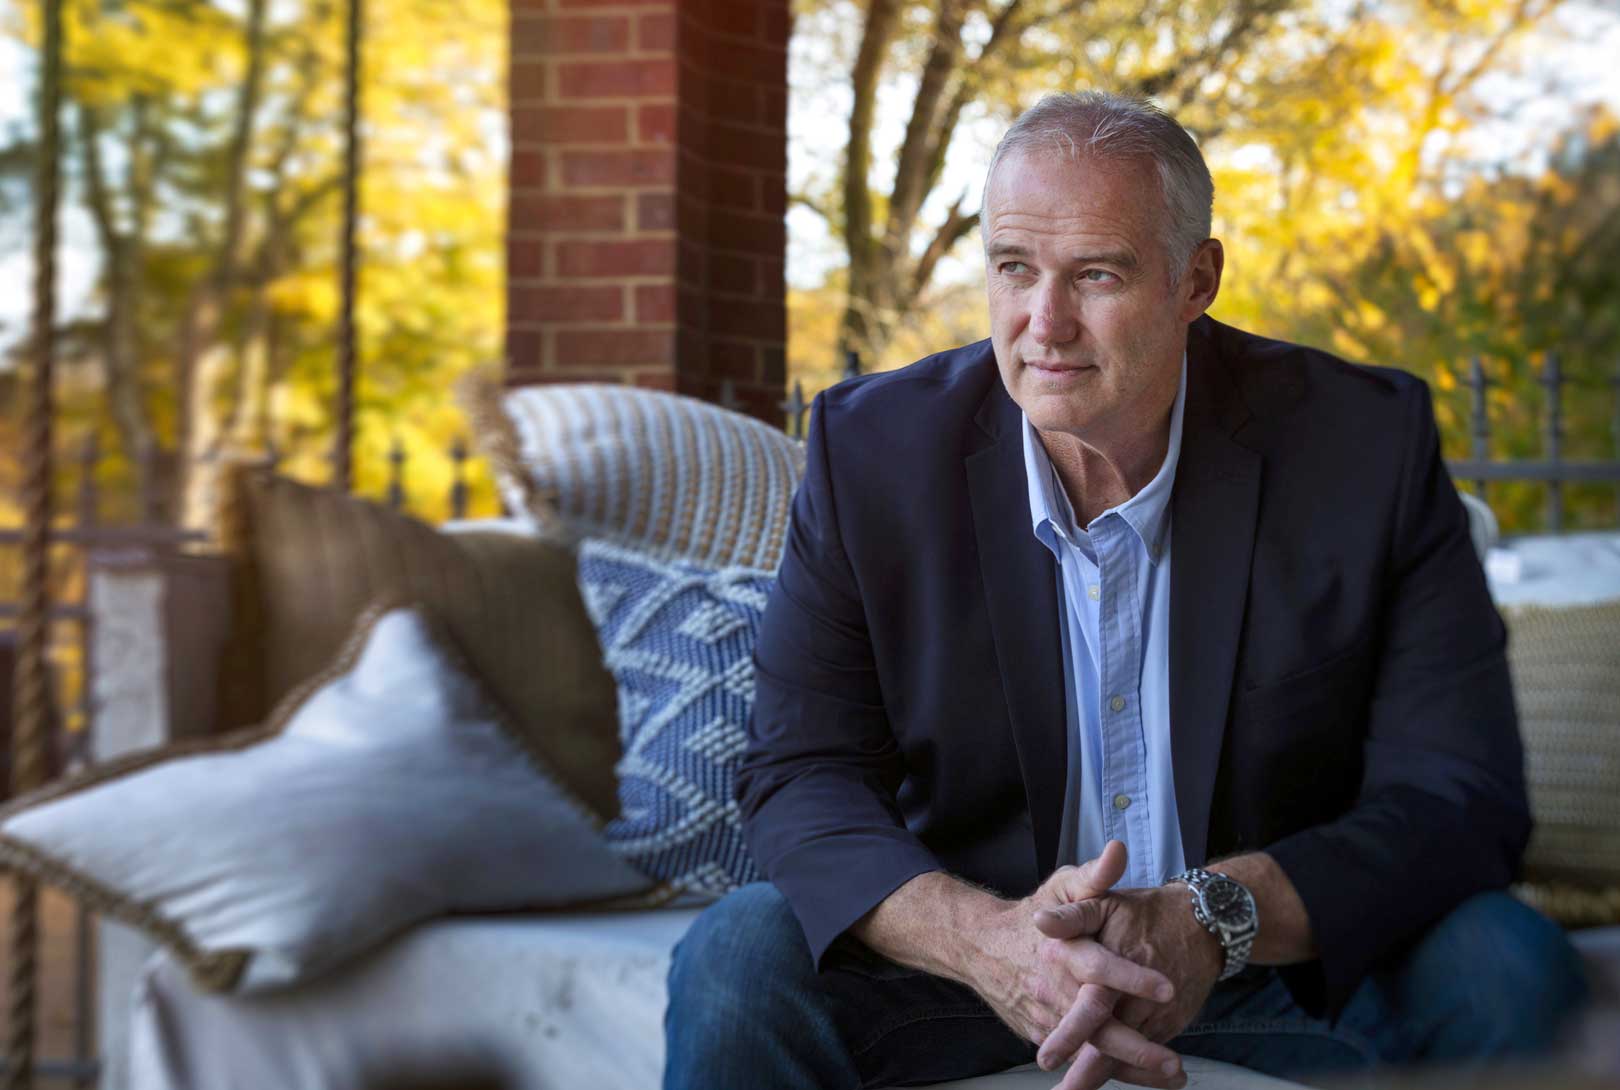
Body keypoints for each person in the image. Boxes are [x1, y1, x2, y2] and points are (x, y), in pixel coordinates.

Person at [662, 91, 1589, 1090]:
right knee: (739, 958)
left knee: (1506, 966)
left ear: (1198, 281)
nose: (1044, 323)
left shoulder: (1363, 446)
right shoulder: (872, 451)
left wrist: (1210, 917)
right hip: (988, 955)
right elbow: (802, 772)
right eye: (1014, 269)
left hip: (1268, 958)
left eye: (1096, 274)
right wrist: (986, 941)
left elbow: (1459, 792)